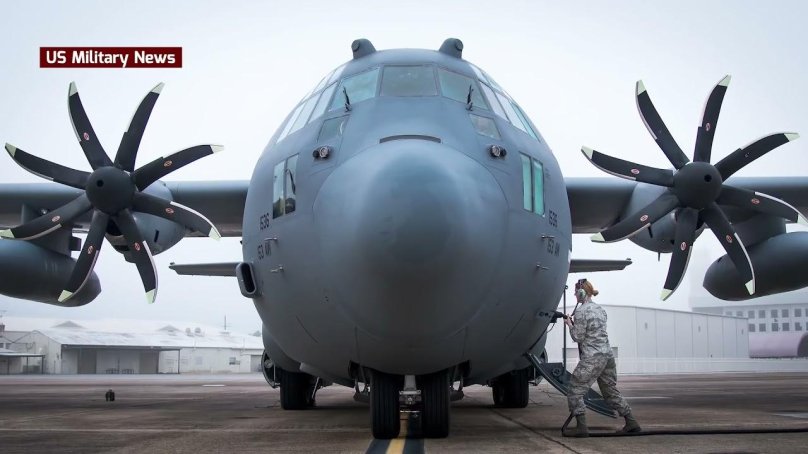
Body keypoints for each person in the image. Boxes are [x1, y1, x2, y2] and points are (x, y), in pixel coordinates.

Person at [563, 279, 640, 437]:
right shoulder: (600, 310)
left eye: (576, 292)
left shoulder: (581, 311)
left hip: (592, 357)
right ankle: (631, 422)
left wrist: (569, 324)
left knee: (575, 389)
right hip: (607, 355)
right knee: (610, 390)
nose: (574, 295)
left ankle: (582, 428)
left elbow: (578, 336)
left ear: (581, 293)